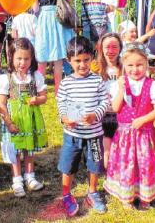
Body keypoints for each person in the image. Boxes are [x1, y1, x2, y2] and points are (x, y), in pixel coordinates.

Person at [104, 42, 155, 209]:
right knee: (126, 164)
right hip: (124, 135)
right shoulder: (120, 84)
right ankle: (127, 195)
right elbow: (116, 108)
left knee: (144, 163)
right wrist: (120, 89)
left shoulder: (153, 86)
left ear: (146, 63)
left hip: (144, 134)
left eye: (139, 64)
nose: (135, 69)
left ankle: (145, 196)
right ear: (124, 65)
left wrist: (143, 119)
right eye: (130, 65)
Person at [56, 36, 109, 216]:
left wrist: (96, 114)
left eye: (86, 60)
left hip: (94, 134)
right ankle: (66, 194)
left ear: (92, 59)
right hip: (72, 135)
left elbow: (104, 101)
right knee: (68, 164)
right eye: (77, 61)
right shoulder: (66, 83)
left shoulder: (97, 80)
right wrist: (64, 118)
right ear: (68, 61)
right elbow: (61, 103)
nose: (82, 64)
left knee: (94, 164)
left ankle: (92, 192)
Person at [0, 38, 48, 197]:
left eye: (26, 58)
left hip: (30, 119)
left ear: (31, 58)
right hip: (15, 120)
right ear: (11, 57)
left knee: (29, 149)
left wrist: (37, 100)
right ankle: (17, 179)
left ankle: (30, 177)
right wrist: (9, 122)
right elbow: (1, 104)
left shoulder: (35, 76)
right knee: (15, 151)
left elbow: (44, 97)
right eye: (19, 58)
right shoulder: (6, 78)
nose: (22, 62)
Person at [33, 0, 74, 93]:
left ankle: (39, 89)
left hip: (44, 18)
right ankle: (58, 90)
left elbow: (35, 8)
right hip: (59, 17)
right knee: (58, 57)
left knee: (42, 56)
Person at [93, 33, 123, 168]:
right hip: (100, 115)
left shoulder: (126, 68)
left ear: (120, 48)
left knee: (118, 147)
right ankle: (95, 167)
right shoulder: (94, 68)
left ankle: (115, 169)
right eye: (107, 47)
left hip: (120, 114)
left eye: (114, 47)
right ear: (100, 48)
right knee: (101, 149)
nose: (110, 51)